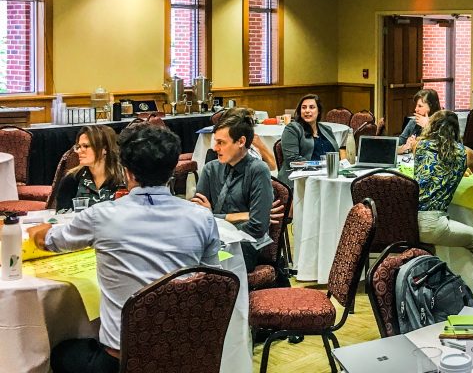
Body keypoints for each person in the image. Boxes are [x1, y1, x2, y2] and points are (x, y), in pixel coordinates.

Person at [28, 124, 220, 373]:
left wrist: (39, 232)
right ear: (173, 169)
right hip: (186, 354)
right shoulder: (202, 218)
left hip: (120, 360)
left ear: (127, 172)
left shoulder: (102, 216)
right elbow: (213, 281)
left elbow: (53, 241)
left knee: (61, 352)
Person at [414, 110, 473, 291]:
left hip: (410, 219)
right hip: (434, 225)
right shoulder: (466, 154)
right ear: (456, 130)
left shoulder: (420, 146)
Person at [193, 113, 272, 272]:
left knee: (215, 267)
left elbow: (257, 227)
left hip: (247, 244)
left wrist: (214, 217)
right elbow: (198, 217)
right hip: (214, 241)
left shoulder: (258, 170)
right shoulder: (211, 169)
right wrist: (239, 216)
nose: (215, 148)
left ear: (241, 142)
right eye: (216, 142)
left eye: (221, 142)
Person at [54, 125, 125, 212]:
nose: (79, 151)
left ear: (104, 149)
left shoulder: (125, 178)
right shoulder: (71, 179)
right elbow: (61, 215)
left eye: (86, 146)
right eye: (79, 147)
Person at [277, 94, 341, 186]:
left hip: (326, 177)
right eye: (303, 108)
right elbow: (292, 159)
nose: (307, 111)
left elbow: (335, 154)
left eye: (311, 107)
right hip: (300, 180)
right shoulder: (292, 129)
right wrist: (318, 167)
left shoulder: (326, 129)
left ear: (318, 111)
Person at [398, 88, 442, 154]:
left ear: (431, 106)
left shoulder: (442, 123)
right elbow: (397, 145)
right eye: (416, 105)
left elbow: (441, 148)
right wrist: (405, 147)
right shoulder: (413, 122)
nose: (416, 109)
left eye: (420, 106)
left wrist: (428, 126)